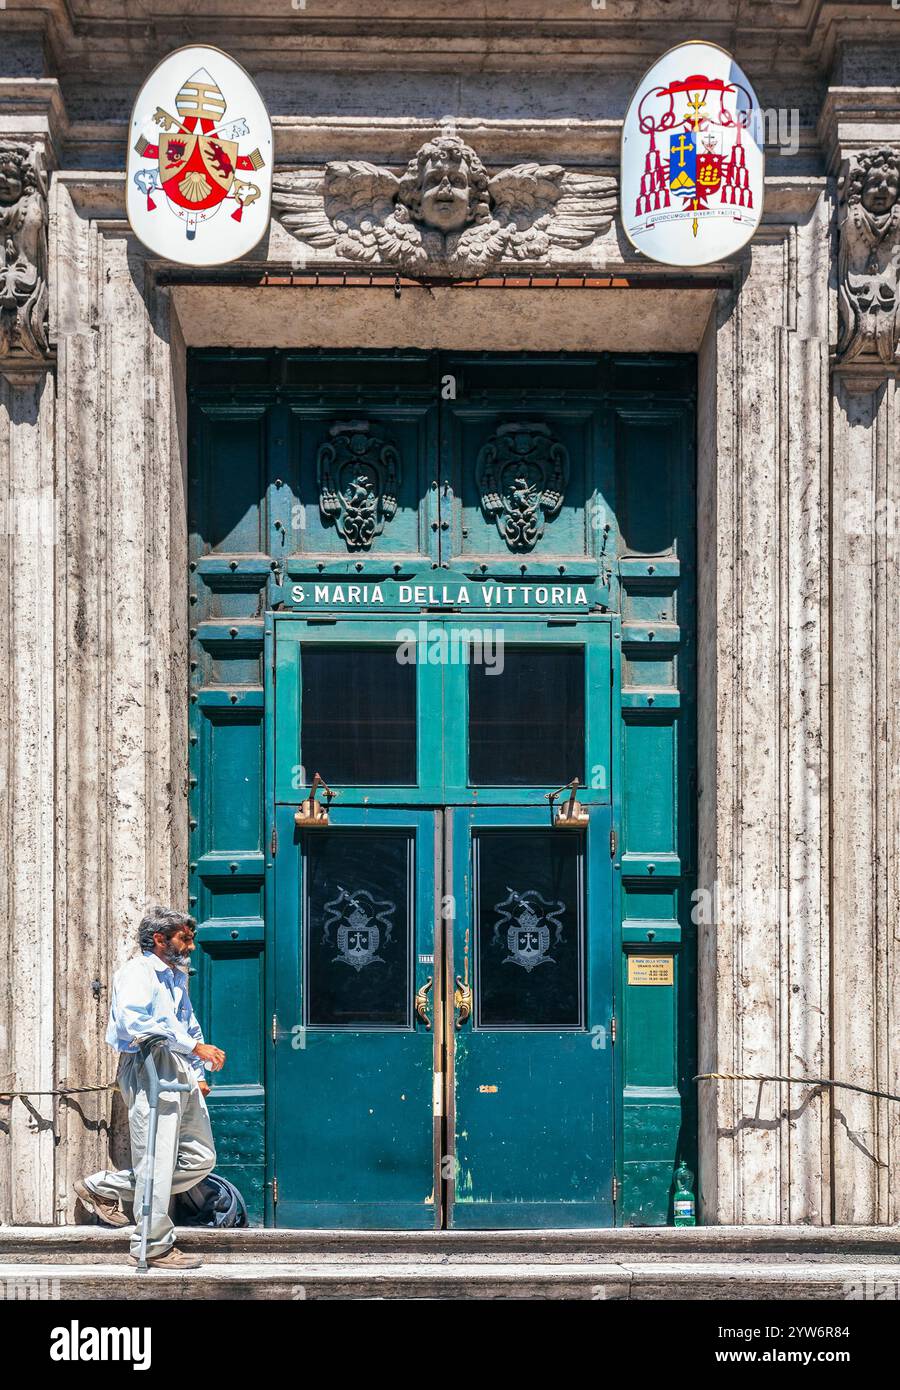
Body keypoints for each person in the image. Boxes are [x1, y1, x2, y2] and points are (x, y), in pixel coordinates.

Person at [74, 906, 226, 1269]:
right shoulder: (137, 973)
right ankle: (153, 1246)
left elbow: (187, 1024)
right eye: (183, 938)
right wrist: (193, 1049)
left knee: (201, 1157)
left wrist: (197, 1069)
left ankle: (103, 1186)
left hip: (179, 1068)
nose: (190, 946)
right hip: (149, 1064)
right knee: (154, 1160)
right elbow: (135, 1023)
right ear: (159, 939)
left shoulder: (175, 977)